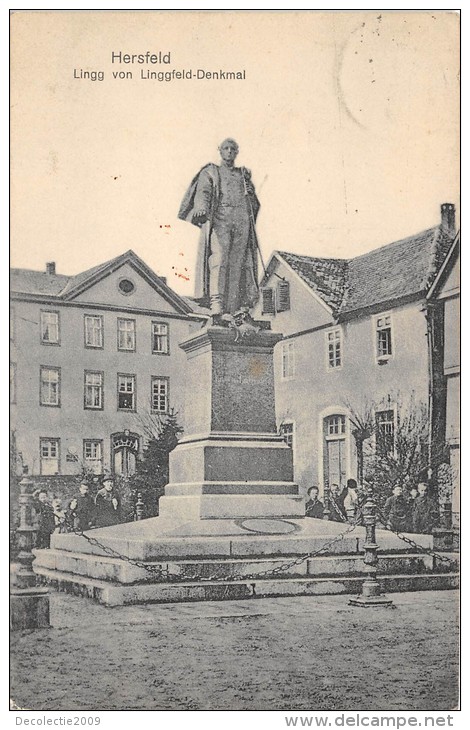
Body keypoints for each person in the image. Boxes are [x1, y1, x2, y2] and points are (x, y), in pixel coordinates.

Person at [178, 138, 260, 315]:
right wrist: (201, 207)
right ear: (220, 151)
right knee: (220, 259)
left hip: (241, 219)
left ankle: (233, 307)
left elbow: (253, 203)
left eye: (233, 149)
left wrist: (250, 189)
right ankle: (217, 303)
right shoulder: (211, 171)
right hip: (220, 218)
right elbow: (204, 192)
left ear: (237, 152)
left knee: (238, 264)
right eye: (226, 148)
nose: (229, 151)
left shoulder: (243, 175)